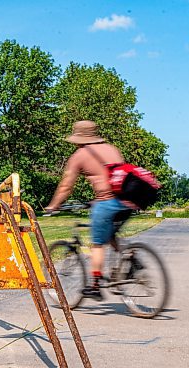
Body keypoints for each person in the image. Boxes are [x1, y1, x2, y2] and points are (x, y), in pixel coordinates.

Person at [45, 120, 132, 300]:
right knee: (108, 234)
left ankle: (95, 285)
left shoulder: (80, 155)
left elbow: (66, 186)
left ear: (78, 138)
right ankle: (129, 255)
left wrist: (54, 205)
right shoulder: (112, 149)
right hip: (128, 200)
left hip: (107, 202)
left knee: (97, 243)